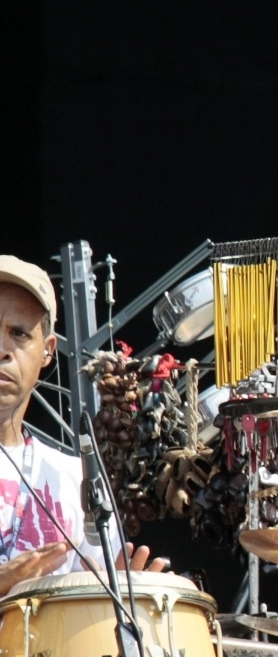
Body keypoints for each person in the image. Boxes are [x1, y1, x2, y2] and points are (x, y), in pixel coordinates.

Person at [0, 254, 165, 596]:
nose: (3, 349)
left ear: (48, 351)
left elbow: (90, 618)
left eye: (19, 333)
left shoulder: (77, 478)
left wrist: (122, 599)